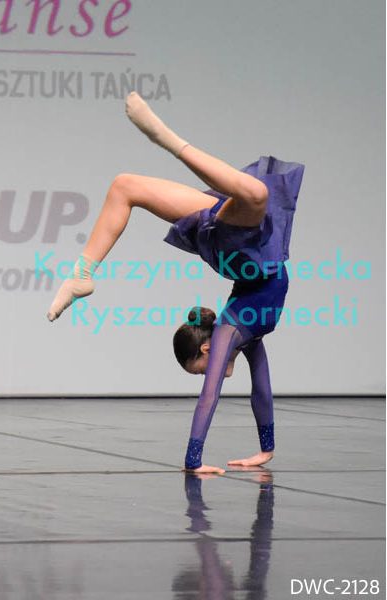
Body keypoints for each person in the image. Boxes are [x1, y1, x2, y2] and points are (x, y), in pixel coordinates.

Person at [47, 92, 305, 474]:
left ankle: (83, 271)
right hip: (247, 253)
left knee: (126, 185)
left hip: (244, 250)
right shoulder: (245, 333)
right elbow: (260, 386)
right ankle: (81, 275)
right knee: (253, 194)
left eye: (200, 368)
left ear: (206, 348)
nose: (207, 373)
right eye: (201, 372)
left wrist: (193, 461)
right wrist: (266, 449)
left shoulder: (229, 331)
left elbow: (210, 396)